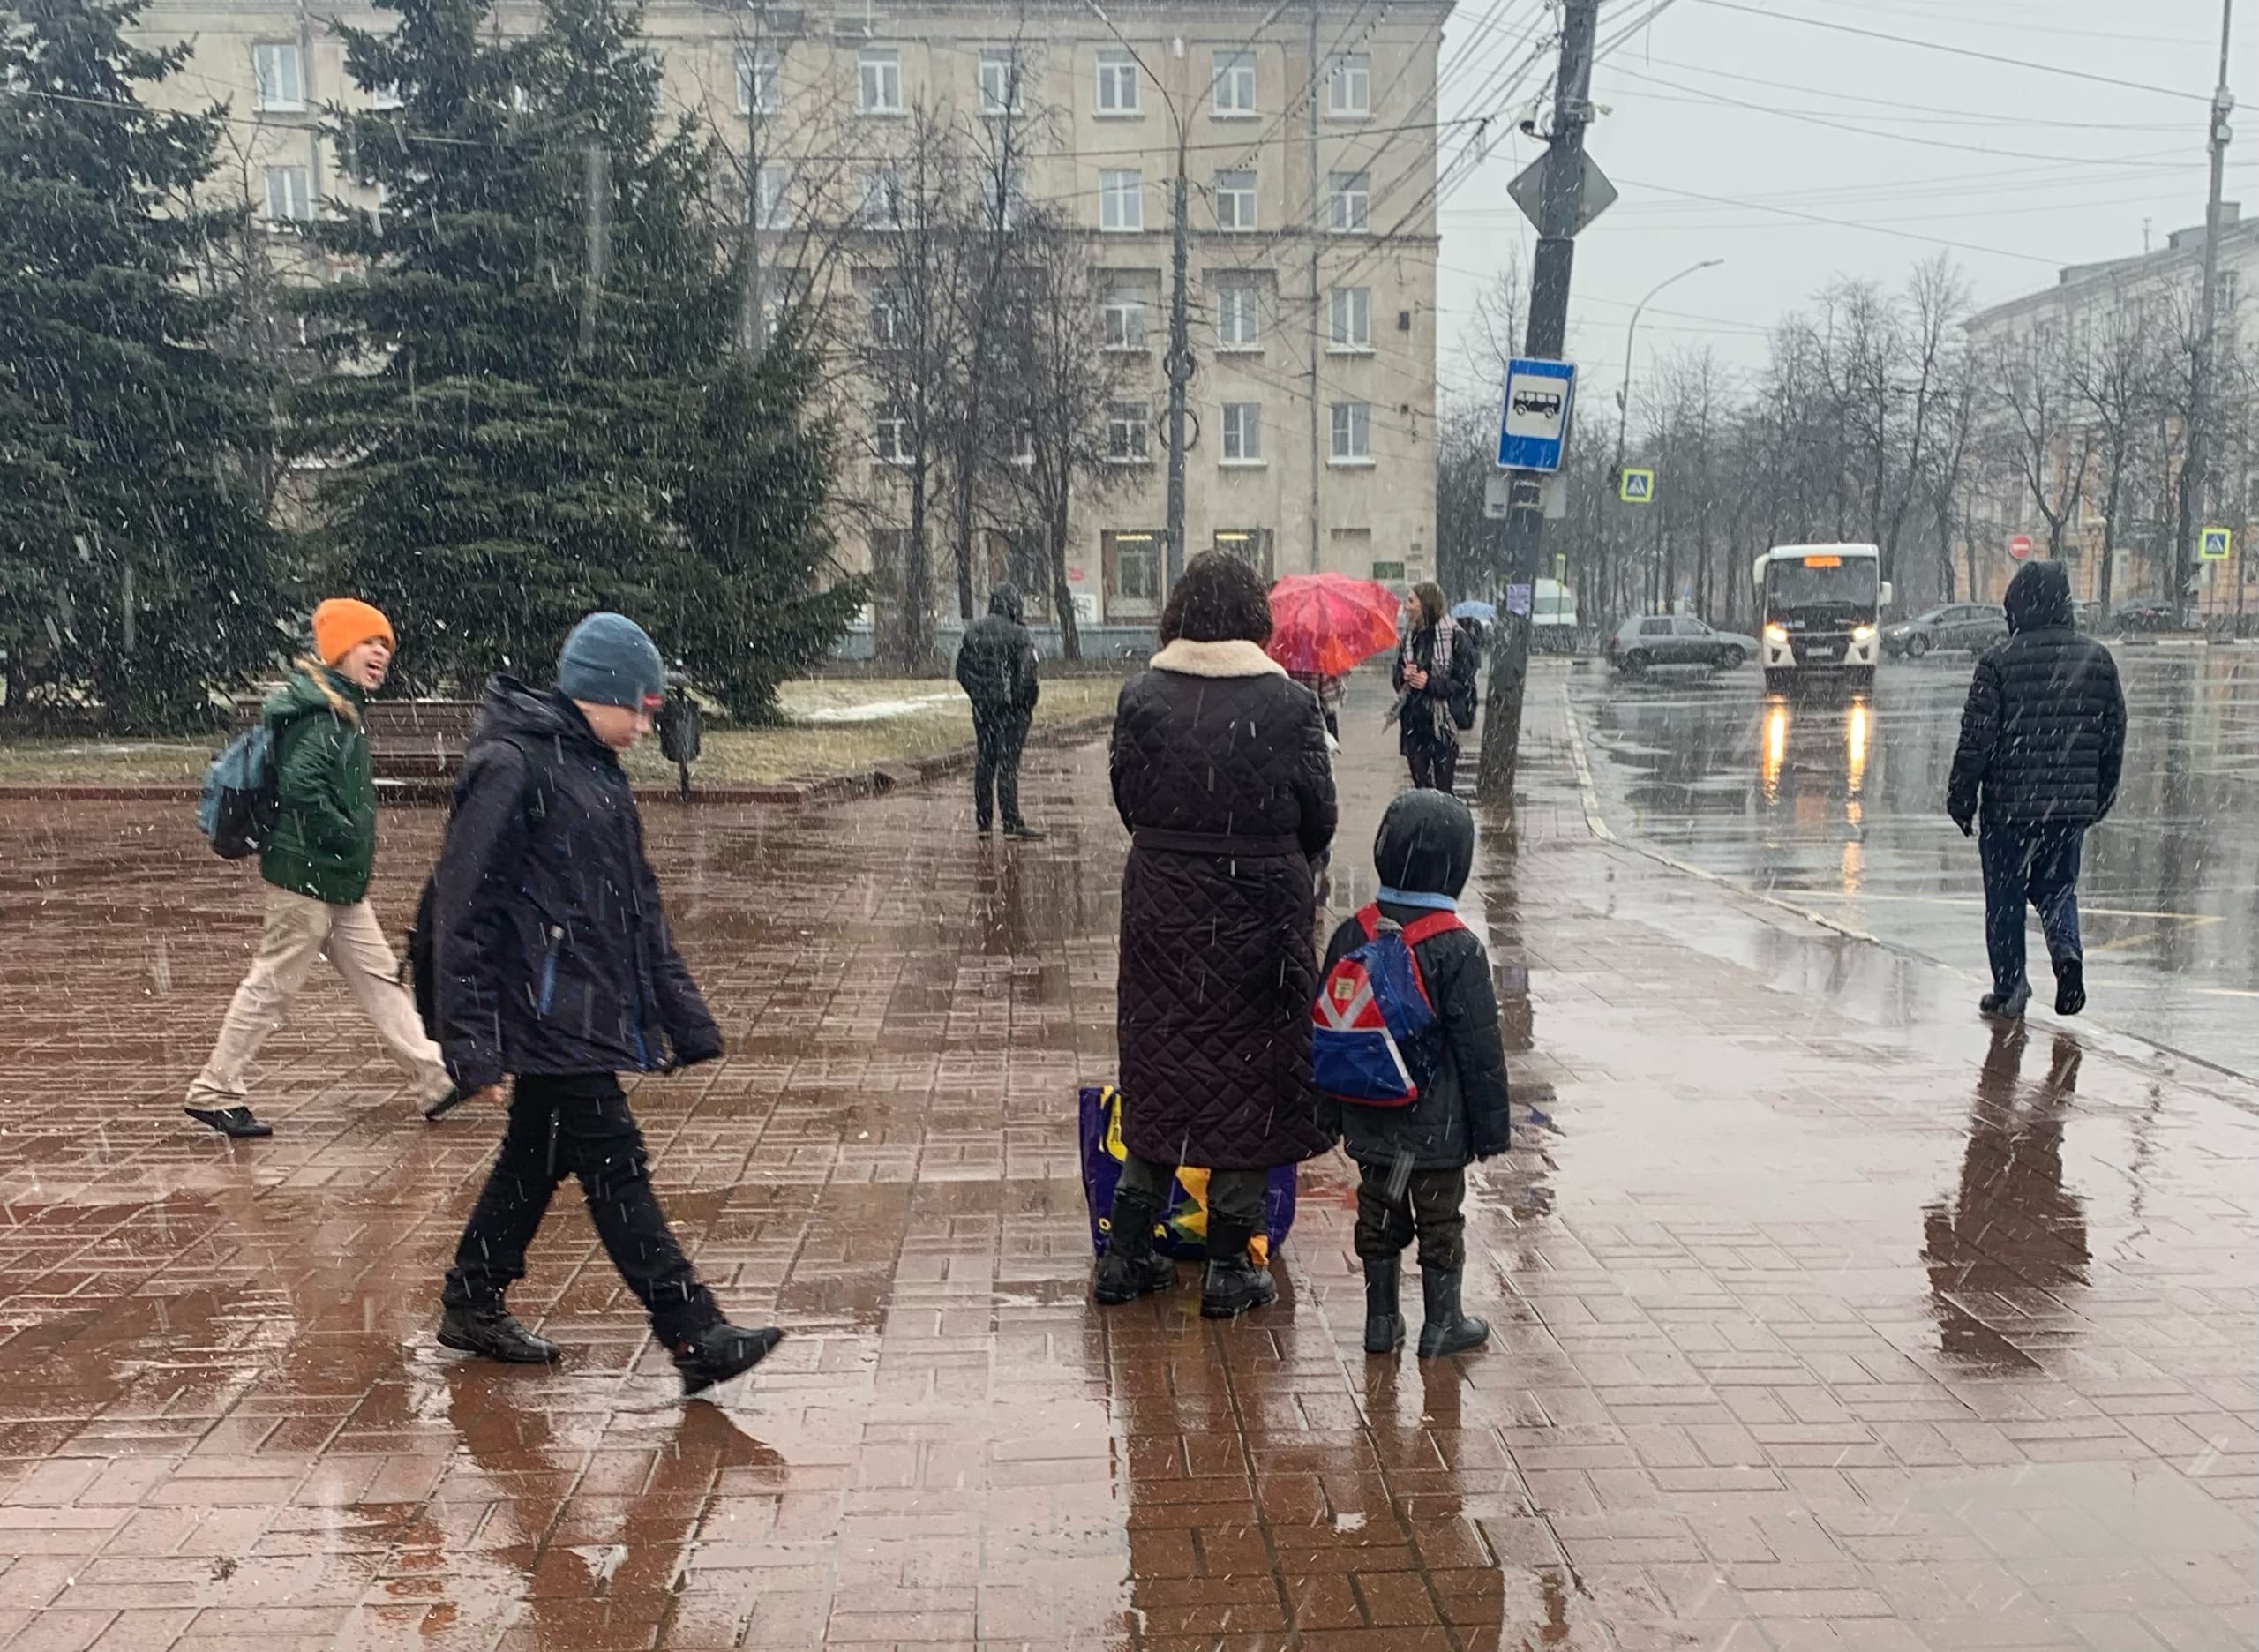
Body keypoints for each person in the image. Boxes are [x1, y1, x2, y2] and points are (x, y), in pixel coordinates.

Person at [430, 612, 780, 1395]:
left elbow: (635, 907)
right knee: (616, 1167)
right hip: (545, 1011)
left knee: (537, 1154)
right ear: (603, 692)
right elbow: (462, 906)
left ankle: (472, 1297)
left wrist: (677, 1010)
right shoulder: (515, 763)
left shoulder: (595, 769)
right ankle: (694, 1335)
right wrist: (471, 1041)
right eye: (645, 707)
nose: (650, 723)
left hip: (582, 1009)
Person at [1095, 552, 1338, 1318]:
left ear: (1179, 612)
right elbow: (1319, 816)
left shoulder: (1142, 697)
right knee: (1250, 1081)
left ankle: (1126, 1255)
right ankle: (1232, 1265)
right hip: (1260, 910)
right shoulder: (1291, 706)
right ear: (1253, 619)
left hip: (1162, 906)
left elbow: (1127, 800)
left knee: (1164, 1067)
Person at [184, 599, 456, 1138]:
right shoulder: (322, 715)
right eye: (368, 643)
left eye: (385, 645)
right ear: (339, 651)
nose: (379, 652)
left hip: (334, 878)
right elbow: (302, 787)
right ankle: (214, 1090)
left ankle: (436, 1078)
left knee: (379, 980)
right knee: (273, 984)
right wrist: (345, 834)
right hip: (307, 875)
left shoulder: (341, 708)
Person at [1318, 789, 1508, 1359]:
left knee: (1377, 1213)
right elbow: (1480, 1050)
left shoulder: (1353, 934)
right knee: (1440, 1222)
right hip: (1437, 1130)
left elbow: (1328, 1031)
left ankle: (1381, 1322)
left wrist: (1326, 1114)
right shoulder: (1458, 949)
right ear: (1457, 864)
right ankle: (1441, 1321)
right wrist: (1491, 1131)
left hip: (1372, 1123)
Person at [1947, 560, 2126, 1020]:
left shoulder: (1997, 662)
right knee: (2057, 887)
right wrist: (2098, 797)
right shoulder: (2098, 660)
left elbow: (1977, 739)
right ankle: (2067, 955)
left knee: (2004, 897)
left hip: (2009, 808)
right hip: (2069, 806)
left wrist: (1963, 796)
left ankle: (2010, 989)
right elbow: (2113, 737)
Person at [953, 582, 1044, 839]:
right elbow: (1028, 675)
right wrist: (1023, 704)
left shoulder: (974, 632)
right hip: (1012, 711)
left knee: (985, 762)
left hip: (983, 710)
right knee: (1008, 765)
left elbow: (962, 671)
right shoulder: (1019, 635)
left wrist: (979, 696)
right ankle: (1011, 821)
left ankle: (983, 822)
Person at [1391, 582, 1471, 793]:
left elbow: (1463, 684)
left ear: (1425, 605)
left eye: (1411, 601)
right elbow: (1396, 678)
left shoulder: (1455, 636)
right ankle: (1426, 826)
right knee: (1421, 791)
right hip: (1414, 726)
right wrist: (1403, 676)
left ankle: (1443, 826)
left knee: (1444, 791)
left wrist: (1430, 684)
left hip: (1442, 727)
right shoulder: (1408, 638)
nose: (1406, 607)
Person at [1289, 669, 1345, 742]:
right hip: (1316, 719)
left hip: (1289, 717)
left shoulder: (1285, 662)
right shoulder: (1320, 662)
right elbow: (1331, 696)